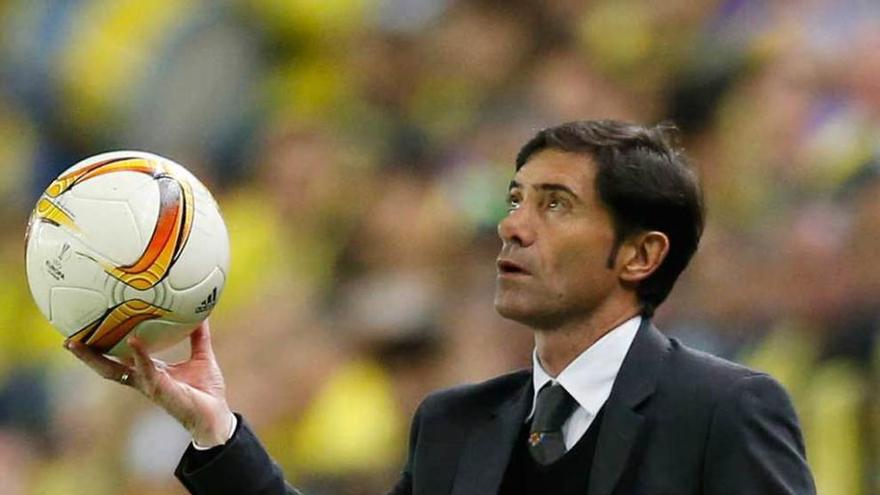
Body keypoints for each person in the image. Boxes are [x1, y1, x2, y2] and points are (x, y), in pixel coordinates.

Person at [68, 120, 816, 494]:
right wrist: (216, 429)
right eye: (515, 198)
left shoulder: (725, 409)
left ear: (640, 254)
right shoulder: (454, 426)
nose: (513, 224)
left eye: (555, 205)